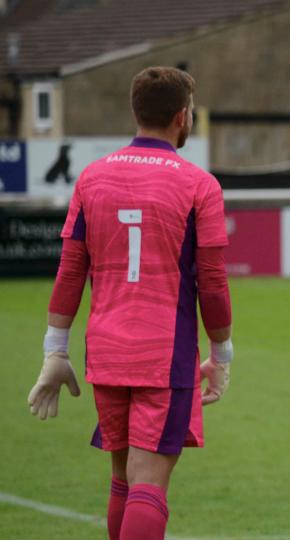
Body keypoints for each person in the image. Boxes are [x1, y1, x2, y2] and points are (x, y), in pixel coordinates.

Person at [26, 66, 233, 540]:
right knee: (149, 483)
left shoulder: (92, 177)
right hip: (164, 353)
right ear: (183, 116)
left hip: (106, 351)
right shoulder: (200, 184)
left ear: (135, 111)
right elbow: (214, 282)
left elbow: (71, 270)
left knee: (123, 477)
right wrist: (221, 354)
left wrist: (55, 349)